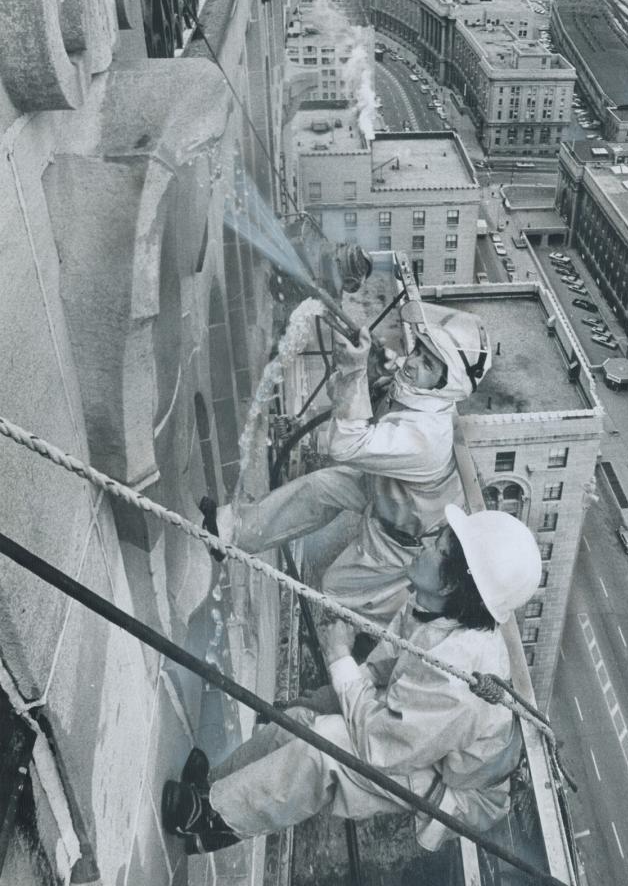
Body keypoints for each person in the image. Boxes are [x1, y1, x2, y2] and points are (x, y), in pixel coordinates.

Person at [161, 505, 542, 854]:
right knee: (300, 721)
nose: (423, 544)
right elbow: (391, 667)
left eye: (437, 547)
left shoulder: (459, 673)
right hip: (421, 740)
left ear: (450, 584)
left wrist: (339, 656)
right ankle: (211, 790)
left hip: (453, 786)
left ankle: (213, 820)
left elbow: (381, 745)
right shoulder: (439, 611)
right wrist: (332, 693)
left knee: (325, 748)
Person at [216, 301, 491, 623]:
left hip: (398, 535)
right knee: (319, 489)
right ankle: (232, 532)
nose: (411, 362)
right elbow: (344, 396)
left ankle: (337, 644)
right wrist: (367, 372)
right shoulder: (418, 391)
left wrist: (355, 370)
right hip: (387, 491)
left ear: (448, 385)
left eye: (428, 363)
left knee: (334, 591)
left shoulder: (430, 436)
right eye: (418, 350)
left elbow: (345, 445)